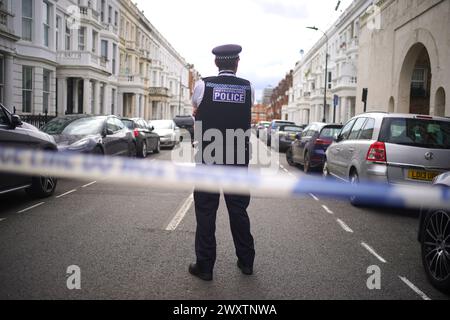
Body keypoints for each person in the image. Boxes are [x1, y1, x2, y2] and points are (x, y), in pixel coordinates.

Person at [189, 44, 255, 281]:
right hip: (237, 156)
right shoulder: (248, 87)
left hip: (209, 156)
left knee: (206, 211)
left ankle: (205, 267)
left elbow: (195, 113)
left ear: (217, 63)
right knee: (238, 209)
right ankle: (246, 262)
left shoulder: (202, 85)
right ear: (237, 62)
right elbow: (245, 116)